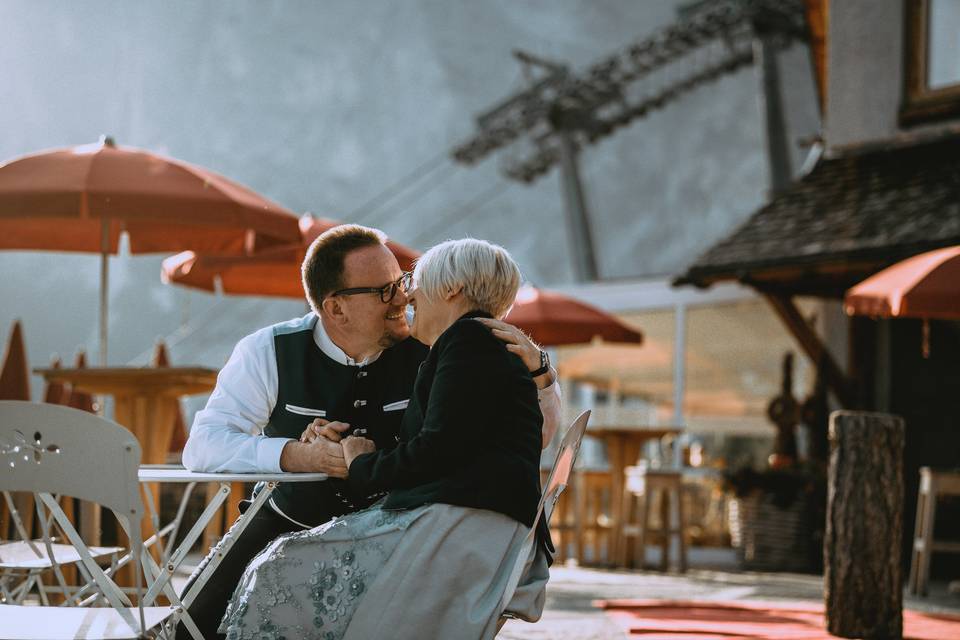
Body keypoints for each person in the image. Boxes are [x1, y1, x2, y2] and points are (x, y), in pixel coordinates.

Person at [177, 225, 561, 640]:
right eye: (385, 291)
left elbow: (534, 436)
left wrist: (543, 375)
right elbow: (203, 446)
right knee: (191, 628)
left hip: (401, 529)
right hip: (290, 517)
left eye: (401, 283)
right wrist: (293, 454)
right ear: (336, 308)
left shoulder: (439, 343)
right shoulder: (269, 349)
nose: (403, 298)